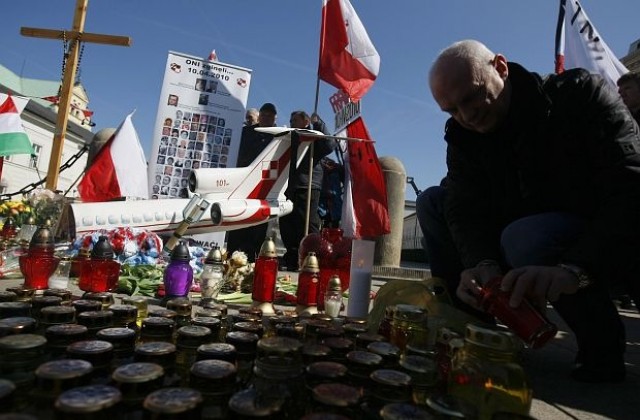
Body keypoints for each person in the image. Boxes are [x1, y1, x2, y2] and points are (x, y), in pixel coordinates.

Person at [418, 39, 640, 383]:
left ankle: (601, 347)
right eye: (452, 110)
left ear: (501, 68)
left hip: (592, 239)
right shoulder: (462, 136)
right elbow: (463, 207)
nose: (467, 116)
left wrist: (576, 268)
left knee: (525, 236)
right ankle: (470, 329)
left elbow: (630, 189)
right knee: (433, 202)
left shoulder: (580, 95)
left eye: (472, 97)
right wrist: (482, 264)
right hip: (516, 239)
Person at [279, 111, 336, 271]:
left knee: (306, 222)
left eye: (295, 119)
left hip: (308, 184)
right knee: (287, 223)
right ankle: (292, 255)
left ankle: (312, 255)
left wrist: (318, 123)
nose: (291, 122)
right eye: (290, 120)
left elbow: (330, 145)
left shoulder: (314, 136)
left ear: (305, 121)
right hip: (289, 186)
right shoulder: (291, 136)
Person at [225, 102, 278, 262]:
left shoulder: (278, 135)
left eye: (270, 115)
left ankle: (251, 258)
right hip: (241, 182)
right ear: (259, 116)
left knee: (258, 222)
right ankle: (231, 256)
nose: (266, 117)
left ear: (275, 118)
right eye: (264, 114)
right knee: (237, 218)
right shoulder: (245, 132)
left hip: (263, 185)